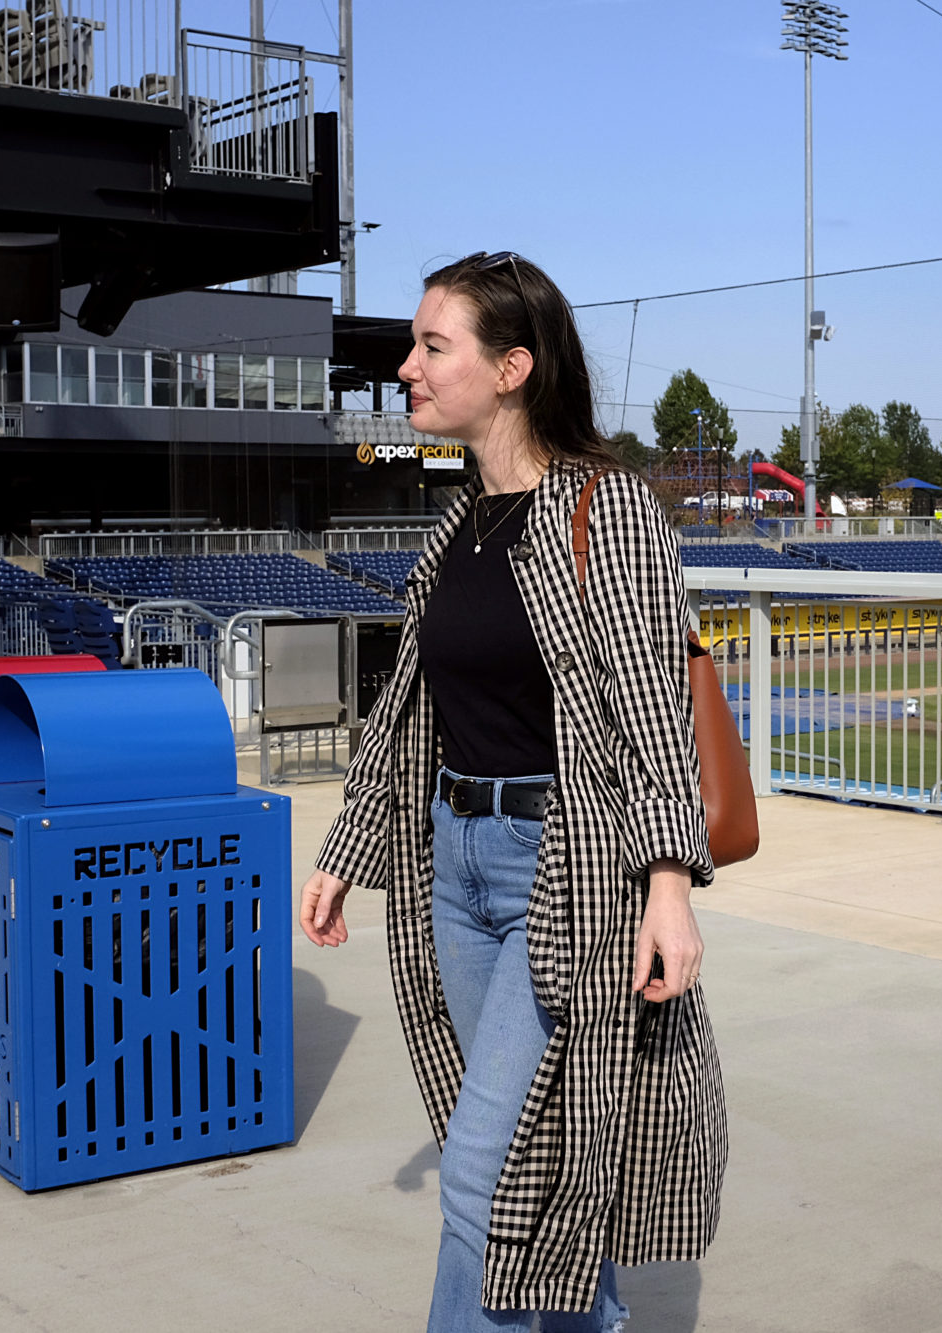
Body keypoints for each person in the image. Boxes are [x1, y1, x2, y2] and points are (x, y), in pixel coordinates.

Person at [299, 251, 728, 1332]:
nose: (405, 367)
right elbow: (405, 704)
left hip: (565, 871)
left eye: (431, 346)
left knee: (481, 1181)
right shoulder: (456, 528)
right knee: (542, 1158)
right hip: (453, 862)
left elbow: (649, 710)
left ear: (510, 368)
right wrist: (351, 850)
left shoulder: (605, 510)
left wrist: (667, 887)